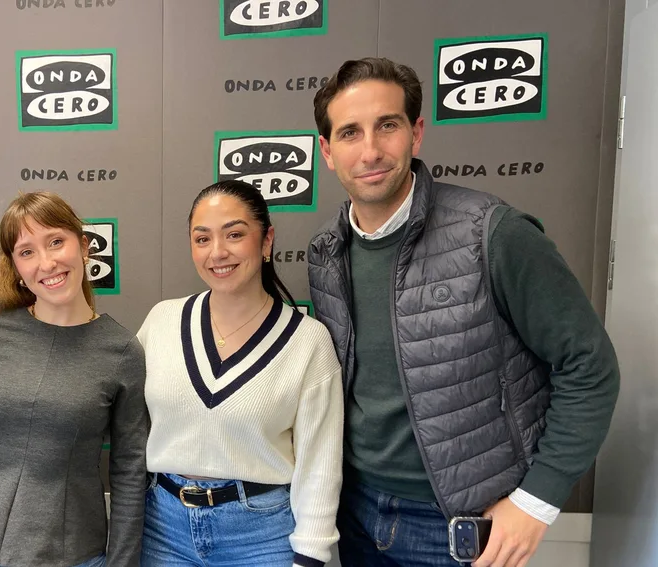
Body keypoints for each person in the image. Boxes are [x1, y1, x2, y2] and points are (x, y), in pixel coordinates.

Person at [307, 57, 620, 567]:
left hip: (462, 531)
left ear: (417, 132)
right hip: (355, 519)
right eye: (349, 133)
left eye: (387, 125)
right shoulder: (326, 254)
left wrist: (535, 502)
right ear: (326, 151)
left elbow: (589, 366)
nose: (370, 151)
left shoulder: (492, 233)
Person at [136, 180, 344, 567]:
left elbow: (320, 464)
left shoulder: (307, 341)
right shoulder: (162, 321)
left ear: (266, 242)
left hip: (260, 535)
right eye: (202, 239)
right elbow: (129, 430)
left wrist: (310, 555)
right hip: (162, 527)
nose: (218, 253)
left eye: (234, 234)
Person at [0, 191, 148, 567]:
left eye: (56, 242)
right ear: (15, 267)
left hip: (72, 554)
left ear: (84, 246)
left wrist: (122, 561)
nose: (46, 262)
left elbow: (128, 471)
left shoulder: (122, 351)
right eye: (26, 252)